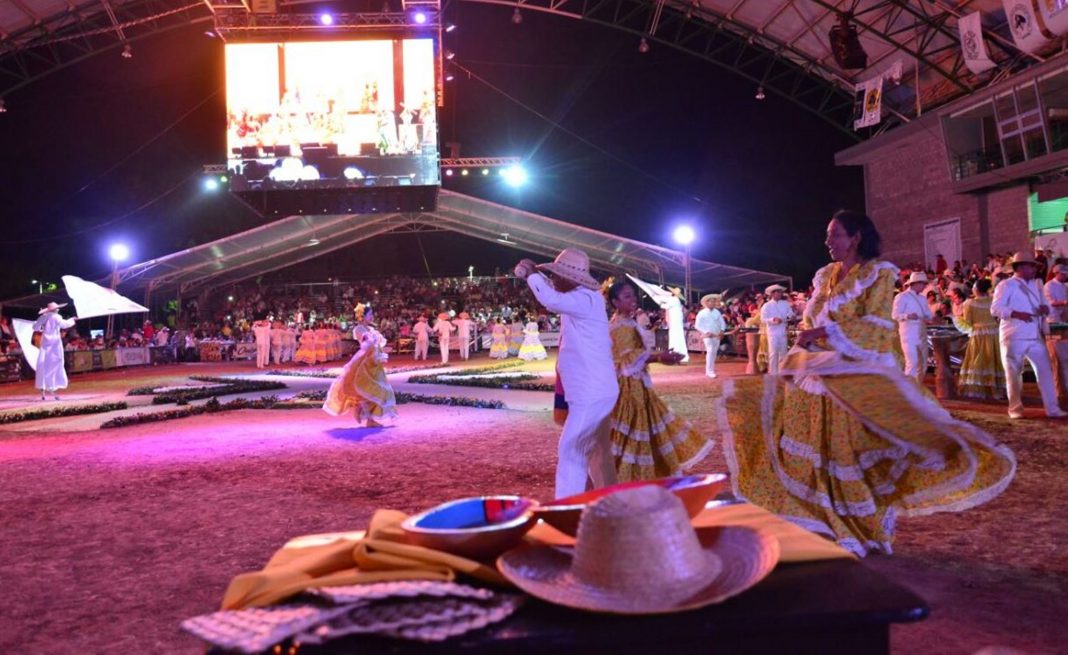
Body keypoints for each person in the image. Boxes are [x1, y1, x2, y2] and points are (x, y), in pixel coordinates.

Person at [712, 210, 1016, 556]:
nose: (828, 241)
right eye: (828, 235)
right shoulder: (825, 275)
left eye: (835, 234)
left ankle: (863, 526)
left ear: (855, 237)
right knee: (815, 446)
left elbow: (874, 324)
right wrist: (807, 340)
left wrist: (824, 332)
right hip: (817, 373)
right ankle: (829, 521)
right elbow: (813, 317)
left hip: (855, 373)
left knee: (851, 451)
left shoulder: (878, 274)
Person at [514, 248, 618, 498]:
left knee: (571, 452)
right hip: (592, 390)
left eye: (557, 275)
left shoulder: (585, 299)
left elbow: (551, 299)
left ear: (571, 278)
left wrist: (531, 275)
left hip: (591, 392)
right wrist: (539, 277)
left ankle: (568, 510)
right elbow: (555, 293)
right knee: (591, 453)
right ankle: (605, 505)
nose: (555, 280)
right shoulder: (583, 297)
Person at [605, 280, 714, 481]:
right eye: (627, 296)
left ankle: (638, 472)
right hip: (630, 386)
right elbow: (627, 357)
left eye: (633, 295)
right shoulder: (621, 325)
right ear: (615, 301)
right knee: (635, 426)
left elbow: (634, 355)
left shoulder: (626, 322)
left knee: (641, 426)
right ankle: (628, 475)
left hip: (636, 382)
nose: (633, 299)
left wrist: (660, 357)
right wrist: (658, 357)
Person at [990, 252, 1066, 419]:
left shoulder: (1037, 285)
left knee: (1045, 372)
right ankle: (1015, 409)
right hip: (1013, 335)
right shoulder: (1006, 285)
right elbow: (995, 309)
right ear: (1021, 267)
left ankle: (1052, 409)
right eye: (1032, 266)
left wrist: (1045, 309)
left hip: (1034, 334)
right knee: (1013, 374)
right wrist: (1016, 313)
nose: (1034, 269)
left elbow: (1045, 305)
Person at [322, 313, 396, 428]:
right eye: (369, 314)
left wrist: (381, 349)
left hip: (375, 363)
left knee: (381, 390)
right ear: (362, 316)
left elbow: (378, 342)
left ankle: (370, 418)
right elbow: (367, 343)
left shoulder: (371, 329)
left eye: (372, 314)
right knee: (368, 388)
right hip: (365, 363)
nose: (372, 316)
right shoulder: (359, 329)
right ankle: (362, 410)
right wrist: (373, 344)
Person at [956, 279, 1005, 400]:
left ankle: (982, 388)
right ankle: (997, 389)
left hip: (979, 333)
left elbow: (968, 321)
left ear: (976, 289)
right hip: (994, 332)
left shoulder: (969, 303)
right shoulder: (993, 300)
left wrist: (957, 319)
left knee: (978, 359)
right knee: (994, 359)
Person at [892, 271, 934, 381]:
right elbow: (895, 315)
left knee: (923, 362)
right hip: (908, 333)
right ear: (916, 283)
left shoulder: (923, 298)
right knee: (912, 362)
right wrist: (907, 316)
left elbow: (927, 313)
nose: (925, 287)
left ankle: (918, 386)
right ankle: (909, 389)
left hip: (921, 331)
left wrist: (930, 318)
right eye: (923, 284)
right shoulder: (901, 297)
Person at [32, 302, 77, 400]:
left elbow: (35, 327)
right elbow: (64, 325)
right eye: (57, 308)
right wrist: (72, 320)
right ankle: (51, 385)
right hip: (54, 343)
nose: (58, 309)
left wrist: (41, 328)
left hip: (45, 343)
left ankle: (44, 388)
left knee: (43, 364)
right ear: (54, 309)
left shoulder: (44, 317)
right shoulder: (56, 317)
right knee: (55, 363)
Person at [760, 284, 794, 375]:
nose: (779, 294)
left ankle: (782, 372)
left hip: (782, 330)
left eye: (780, 292)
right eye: (777, 292)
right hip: (772, 332)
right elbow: (763, 319)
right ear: (772, 294)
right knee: (773, 352)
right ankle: (773, 373)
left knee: (783, 352)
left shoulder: (785, 303)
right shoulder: (766, 305)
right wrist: (773, 320)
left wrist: (790, 316)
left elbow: (790, 313)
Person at [695, 293, 727, 378]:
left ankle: (709, 370)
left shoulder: (717, 312)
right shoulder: (701, 313)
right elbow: (697, 325)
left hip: (717, 335)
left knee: (714, 352)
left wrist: (722, 330)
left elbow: (722, 323)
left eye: (714, 302)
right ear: (706, 303)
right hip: (708, 336)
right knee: (710, 351)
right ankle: (710, 371)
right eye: (711, 302)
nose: (712, 303)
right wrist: (705, 332)